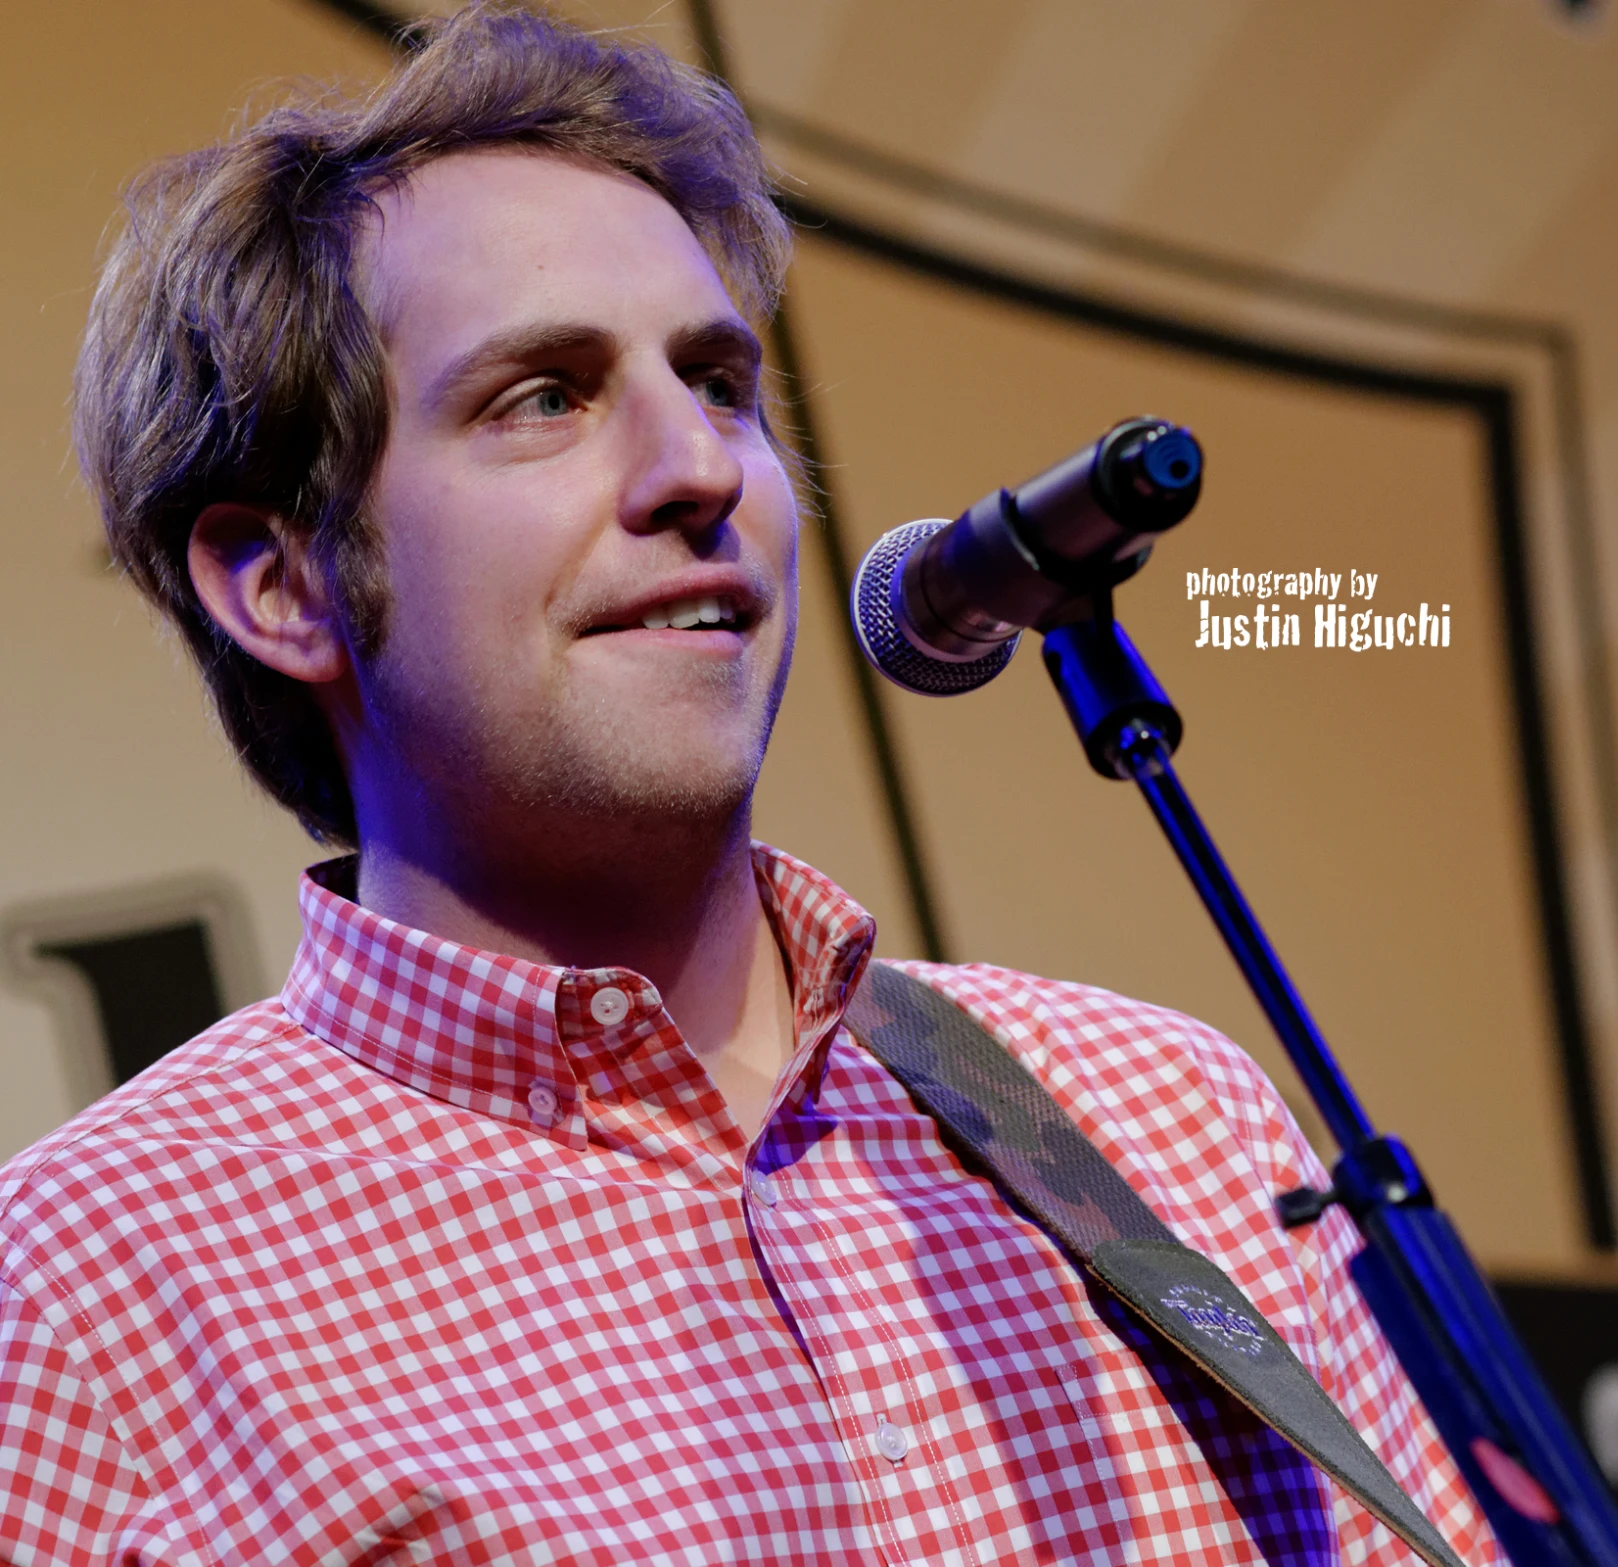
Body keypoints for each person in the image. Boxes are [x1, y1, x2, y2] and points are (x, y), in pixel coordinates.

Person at [0, 7, 1497, 1563]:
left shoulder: (1161, 1123)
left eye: (719, 382)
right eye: (544, 397)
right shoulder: (86, 1298)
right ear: (279, 584)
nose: (698, 466)